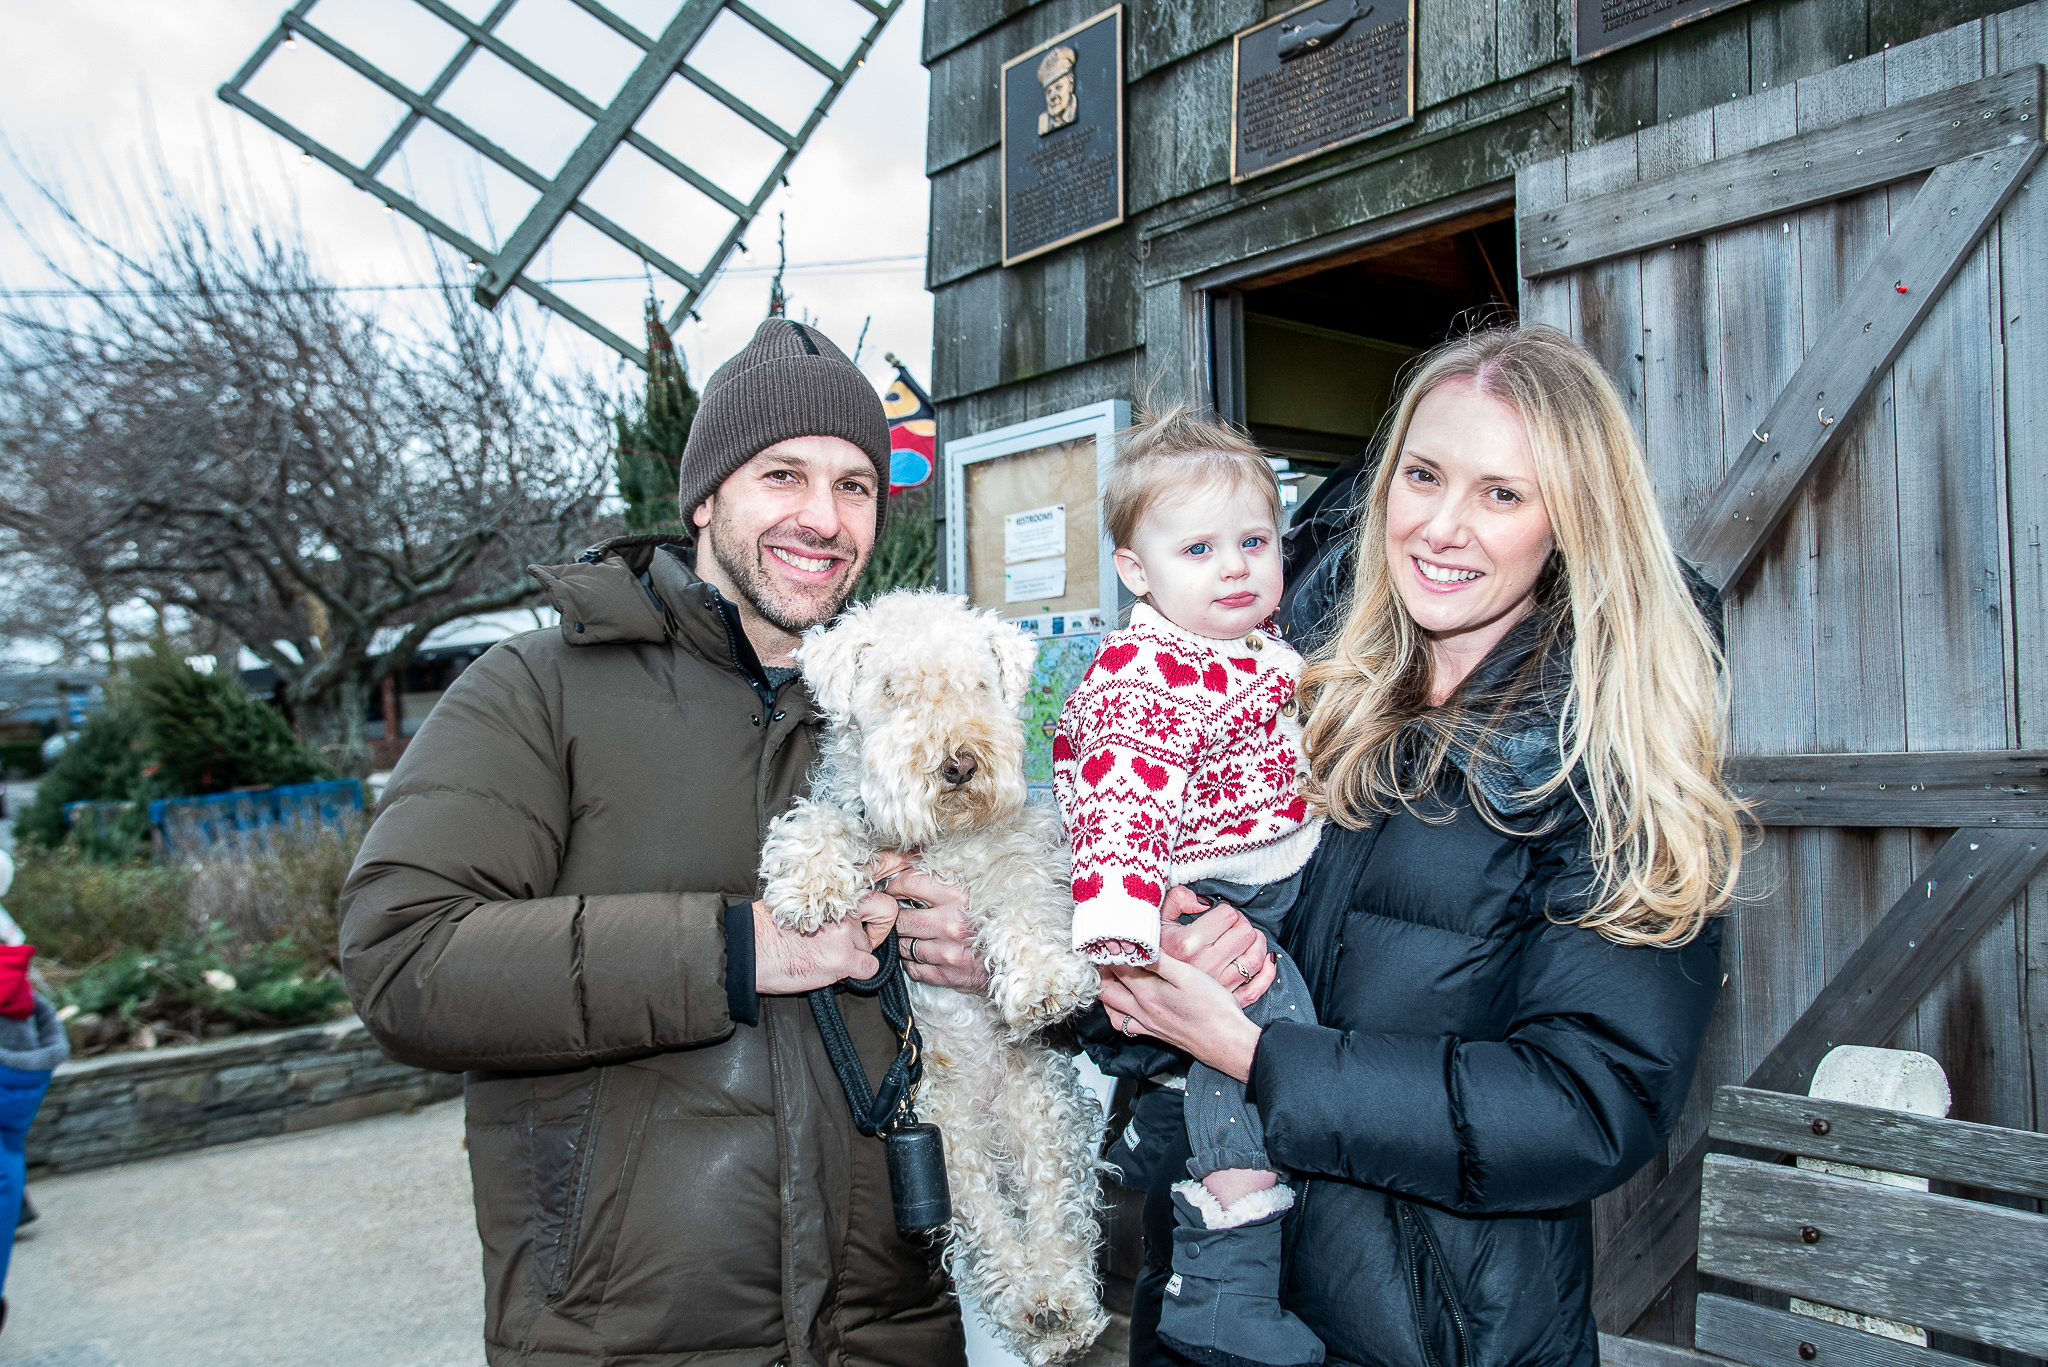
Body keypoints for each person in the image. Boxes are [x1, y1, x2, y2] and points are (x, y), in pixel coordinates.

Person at [1097, 325, 1746, 1367]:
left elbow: (1588, 1104)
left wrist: (1260, 1055)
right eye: (1423, 474)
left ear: (1568, 520)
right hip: (1207, 1312)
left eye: (1501, 493)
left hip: (1438, 1335)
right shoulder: (1295, 694)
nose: (1441, 527)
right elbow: (1145, 958)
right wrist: (1149, 967)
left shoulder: (1614, 757)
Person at [339, 319, 983, 1367]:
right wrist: (732, 949)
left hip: (891, 1328)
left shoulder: (908, 705)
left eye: (854, 485)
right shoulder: (534, 691)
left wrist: (983, 952)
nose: (822, 518)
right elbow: (403, 960)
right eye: (782, 474)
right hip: (631, 1335)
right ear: (705, 498)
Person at [1054, 409, 1324, 1367]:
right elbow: (1118, 805)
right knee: (1257, 1035)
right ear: (1138, 571)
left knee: (1238, 1054)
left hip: (1252, 881)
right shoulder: (1148, 675)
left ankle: (1161, 1149)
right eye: (1200, 547)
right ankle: (1225, 1279)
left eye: (1254, 540)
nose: (1236, 566)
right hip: (1201, 895)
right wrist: (1131, 938)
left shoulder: (1250, 652)